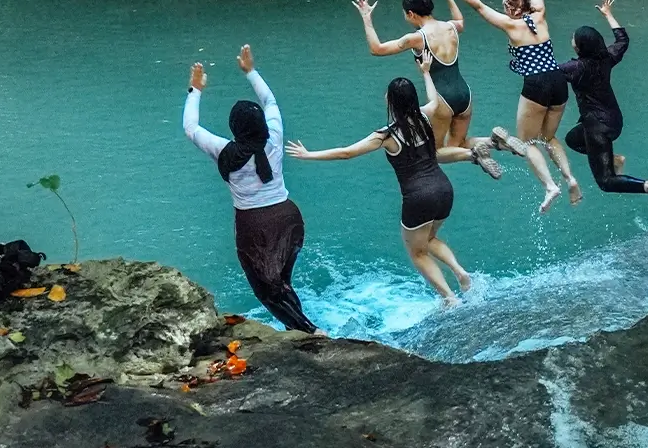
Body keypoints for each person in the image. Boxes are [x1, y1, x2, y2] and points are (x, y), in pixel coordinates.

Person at [286, 52, 491, 306]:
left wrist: (308, 155)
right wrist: (426, 71)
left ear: (391, 102)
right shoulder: (426, 117)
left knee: (417, 252)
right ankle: (461, 273)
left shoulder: (386, 136)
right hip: (444, 190)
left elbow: (346, 153)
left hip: (419, 197)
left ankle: (450, 299)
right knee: (428, 240)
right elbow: (435, 101)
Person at [440, 0, 582, 213]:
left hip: (536, 84)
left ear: (509, 9)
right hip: (558, 81)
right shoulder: (539, 14)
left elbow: (478, 6)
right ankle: (569, 178)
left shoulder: (511, 25)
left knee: (527, 141)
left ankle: (550, 186)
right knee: (549, 137)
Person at [183, 44, 318, 333]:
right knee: (280, 281)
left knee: (267, 291)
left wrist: (195, 90)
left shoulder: (224, 151)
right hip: (288, 218)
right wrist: (251, 71)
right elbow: (270, 102)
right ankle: (297, 329)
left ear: (235, 128)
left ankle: (310, 332)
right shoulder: (275, 138)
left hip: (254, 227)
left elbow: (191, 128)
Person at [352, 0, 525, 171]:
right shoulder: (451, 27)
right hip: (464, 95)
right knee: (458, 143)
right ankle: (497, 141)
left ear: (411, 14)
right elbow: (460, 21)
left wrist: (366, 19)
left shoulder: (416, 38)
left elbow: (377, 49)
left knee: (434, 151)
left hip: (442, 99)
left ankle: (474, 155)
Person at [558, 0, 648, 213]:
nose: (571, 40)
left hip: (597, 128)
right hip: (615, 121)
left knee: (606, 182)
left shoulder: (575, 68)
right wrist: (608, 14)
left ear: (578, 48)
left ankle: (647, 185)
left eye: (574, 38)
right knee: (572, 139)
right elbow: (622, 40)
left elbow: (547, 72)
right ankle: (614, 158)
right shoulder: (606, 58)